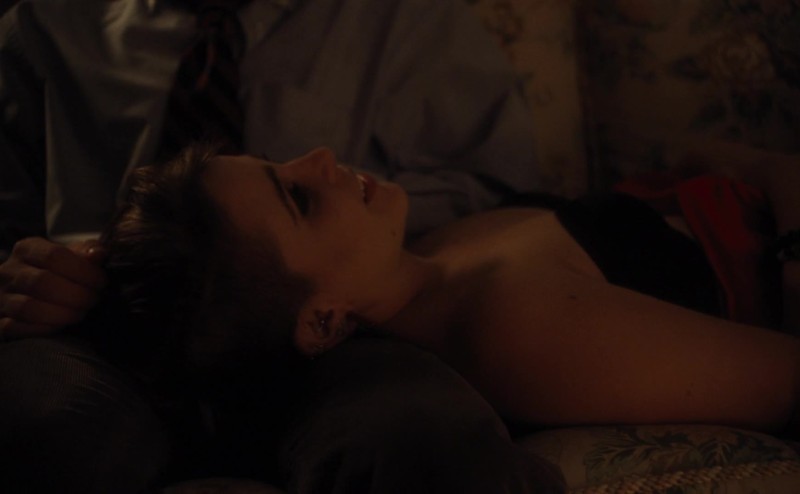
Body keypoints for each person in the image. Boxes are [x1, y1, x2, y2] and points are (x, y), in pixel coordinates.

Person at [0, 0, 565, 492]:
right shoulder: (45, 24)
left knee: (424, 435)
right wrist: (31, 275)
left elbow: (493, 181)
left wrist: (344, 229)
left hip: (336, 323)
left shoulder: (405, 17)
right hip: (96, 325)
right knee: (52, 429)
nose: (320, 157)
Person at [98, 139, 800, 441]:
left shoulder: (432, 253)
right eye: (298, 199)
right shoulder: (514, 327)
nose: (318, 158)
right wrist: (781, 183)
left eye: (276, 162)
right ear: (324, 322)